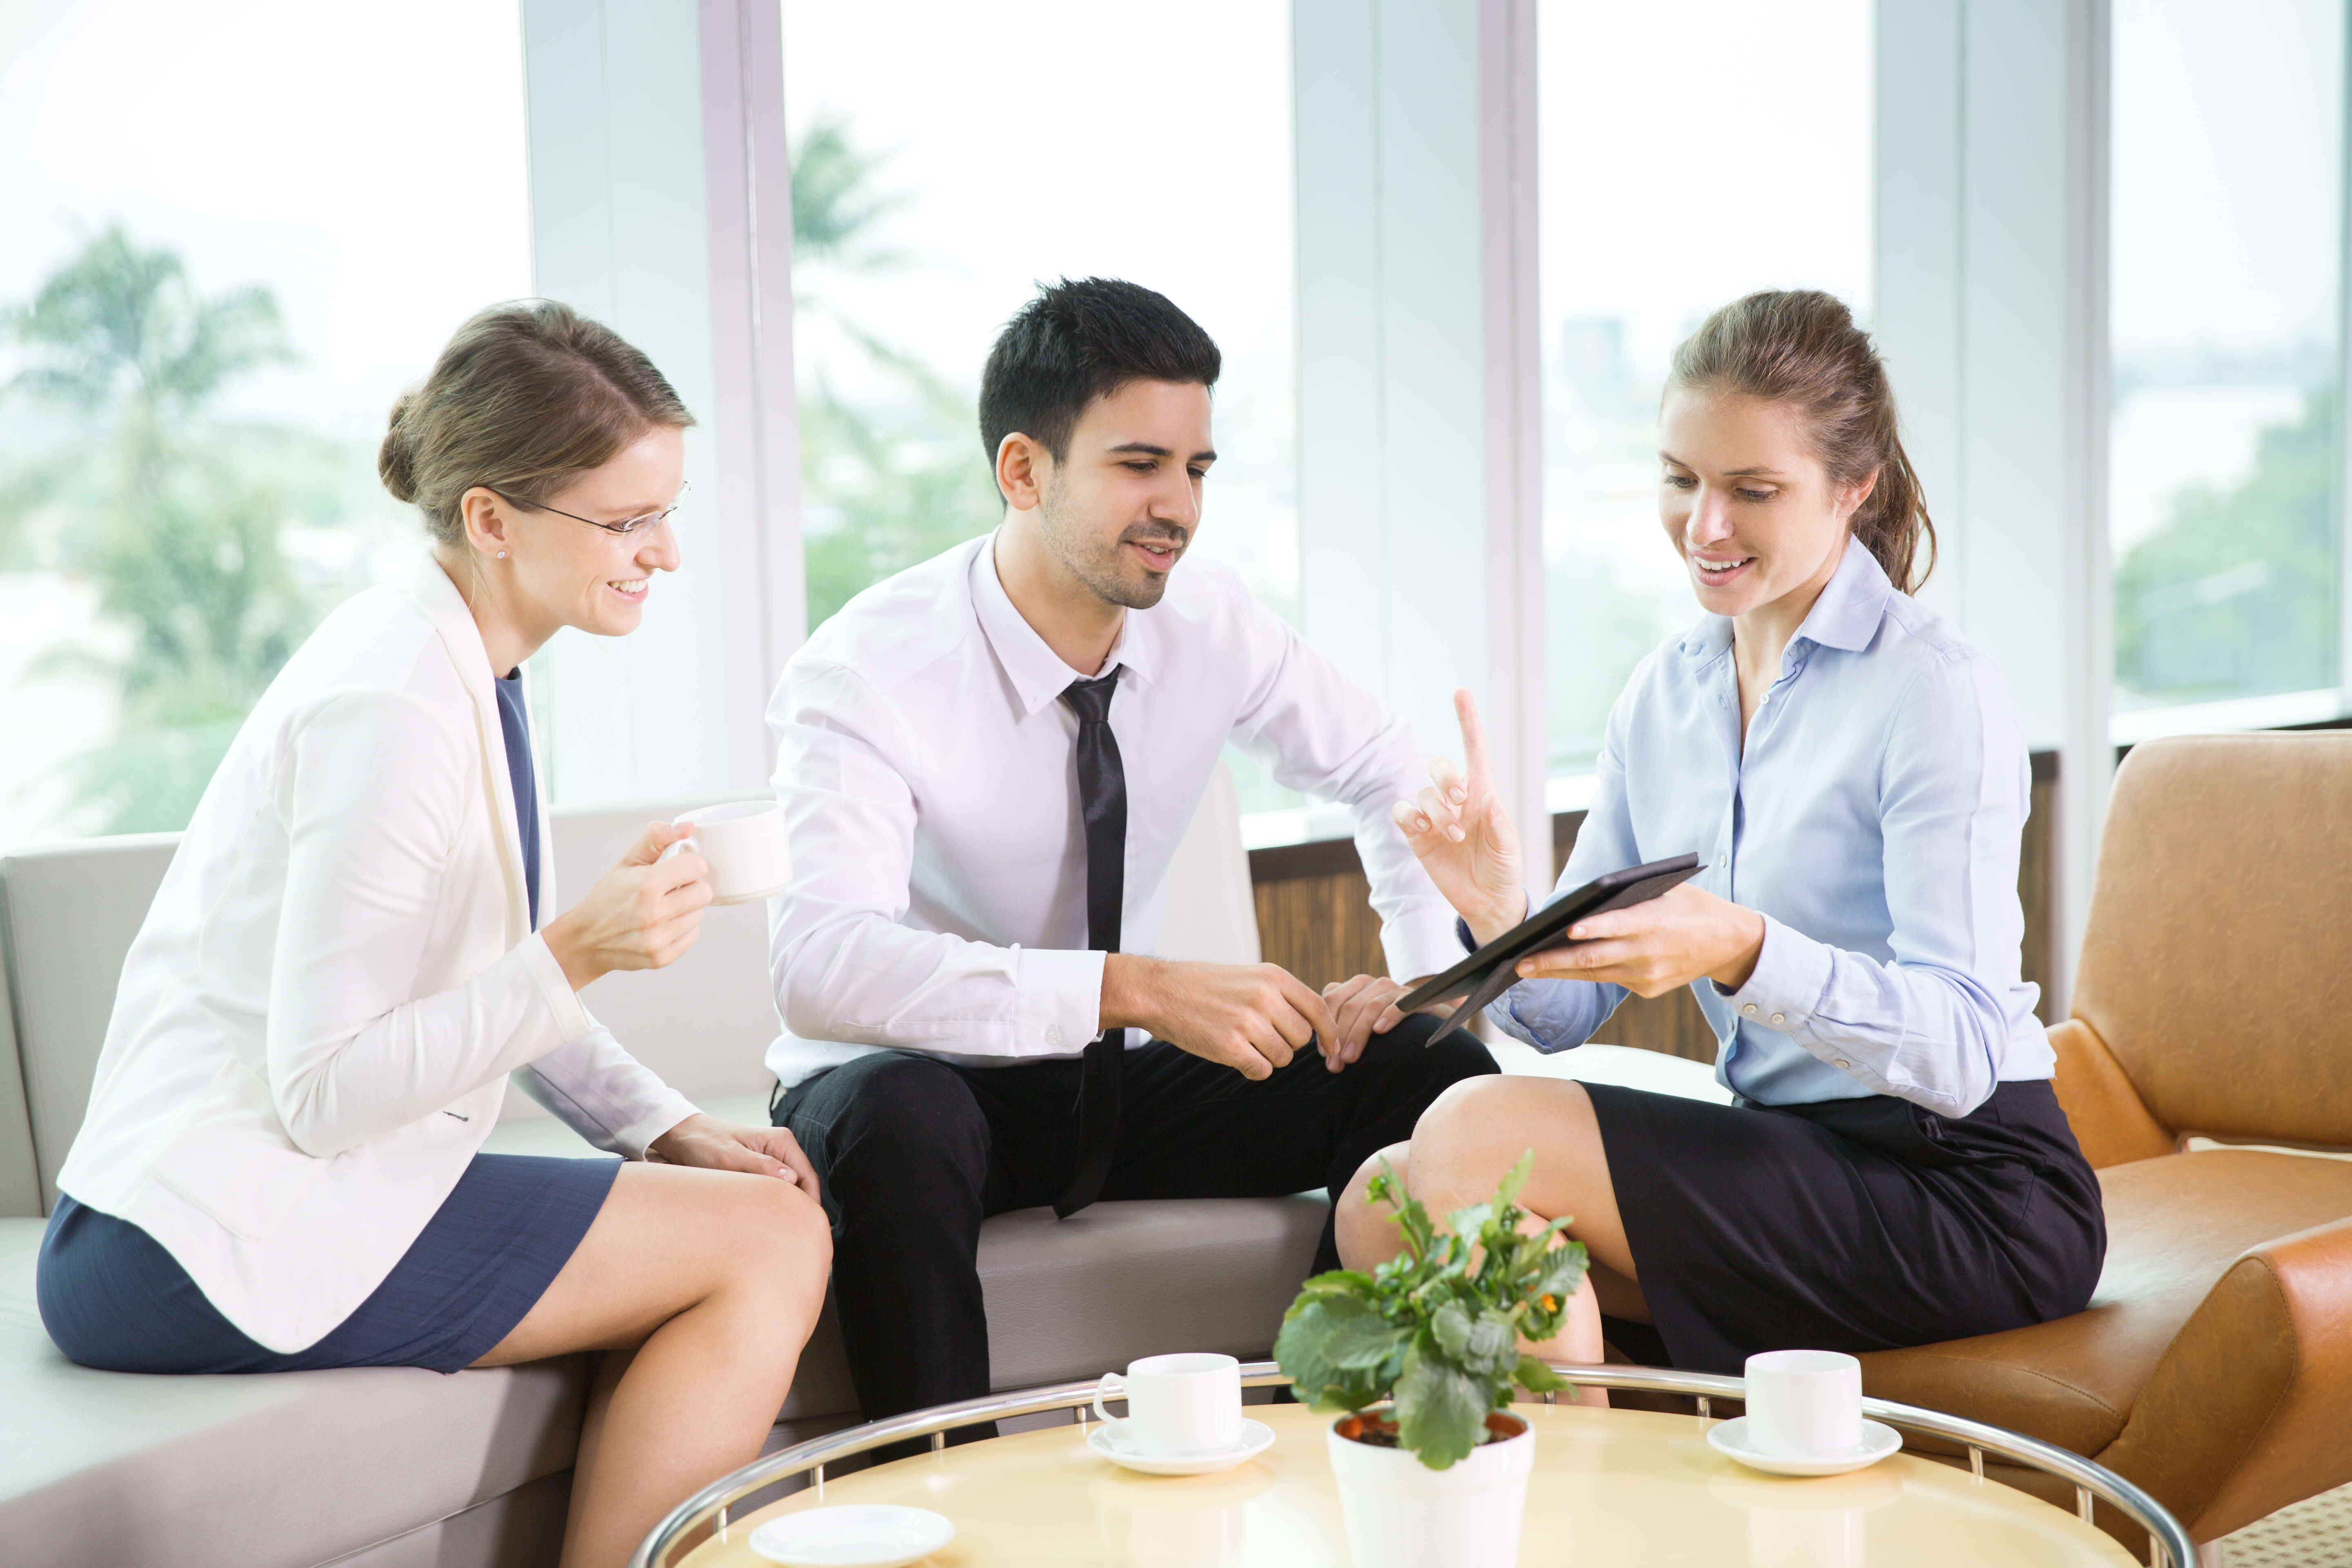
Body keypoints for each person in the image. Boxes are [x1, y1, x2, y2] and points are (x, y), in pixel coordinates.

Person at [38, 302, 832, 1568]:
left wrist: (669, 1129)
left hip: (240, 1201)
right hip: (194, 1236)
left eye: (666, 511)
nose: (665, 552)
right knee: (775, 1243)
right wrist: (576, 948)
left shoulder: (469, 659)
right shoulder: (395, 701)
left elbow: (482, 979)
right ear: (492, 519)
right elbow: (324, 1092)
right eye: (629, 522)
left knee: (749, 1219)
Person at [767, 276, 1498, 1445]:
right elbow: (820, 964)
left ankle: (1334, 1435)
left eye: (1197, 470)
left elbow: (1393, 776)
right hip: (918, 1090)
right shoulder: (865, 670)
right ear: (1022, 470)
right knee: (903, 1117)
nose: (1177, 507)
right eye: (1138, 465)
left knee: (1429, 1063)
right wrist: (1134, 987)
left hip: (1110, 1084)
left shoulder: (1212, 622)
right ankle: (948, 1502)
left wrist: (1418, 977)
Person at [1336, 290, 2105, 1380]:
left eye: (1753, 490)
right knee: (1379, 1207)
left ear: (1854, 488)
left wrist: (1747, 951)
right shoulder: (1666, 692)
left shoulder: (1931, 688)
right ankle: (1579, 1514)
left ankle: (1571, 1531)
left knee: (1467, 1135)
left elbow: (1967, 1050)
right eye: (1681, 478)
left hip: (1968, 1188)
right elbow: (1557, 1020)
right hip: (1788, 1157)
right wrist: (1500, 910)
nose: (1705, 526)